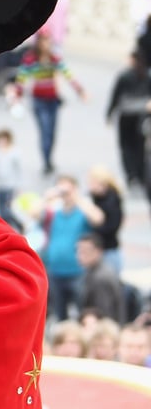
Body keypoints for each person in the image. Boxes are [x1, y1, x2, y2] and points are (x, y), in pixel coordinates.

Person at [12, 31, 87, 175]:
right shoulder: (31, 59)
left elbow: (68, 75)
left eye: (49, 41)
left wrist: (80, 91)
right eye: (44, 41)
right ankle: (46, 161)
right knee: (45, 130)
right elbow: (22, 78)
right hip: (39, 100)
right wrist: (17, 95)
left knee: (52, 132)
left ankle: (49, 158)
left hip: (52, 100)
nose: (47, 44)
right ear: (39, 43)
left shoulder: (54, 59)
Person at [42, 175, 91, 322]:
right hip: (55, 270)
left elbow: (99, 219)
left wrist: (75, 197)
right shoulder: (54, 212)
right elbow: (33, 214)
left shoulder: (82, 211)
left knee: (82, 312)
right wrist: (48, 197)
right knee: (59, 314)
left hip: (77, 271)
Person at [105, 50, 151, 189]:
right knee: (139, 146)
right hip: (142, 113)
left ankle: (131, 175)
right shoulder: (147, 75)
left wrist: (109, 114)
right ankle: (139, 174)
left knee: (126, 146)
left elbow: (115, 95)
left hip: (126, 113)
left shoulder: (124, 75)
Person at [85, 164, 125, 274]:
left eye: (92, 182)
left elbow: (111, 227)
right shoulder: (94, 198)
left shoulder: (112, 201)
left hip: (108, 250)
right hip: (98, 250)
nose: (90, 186)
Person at [76, 233, 124, 324]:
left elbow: (104, 315)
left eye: (85, 251)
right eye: (79, 250)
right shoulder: (93, 271)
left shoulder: (101, 278)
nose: (80, 255)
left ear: (98, 251)